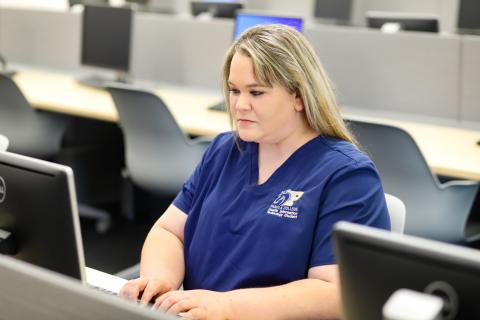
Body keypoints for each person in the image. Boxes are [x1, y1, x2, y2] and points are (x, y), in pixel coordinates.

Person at [120, 24, 390, 319]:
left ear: (299, 96)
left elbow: (335, 291)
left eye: (256, 92)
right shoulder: (225, 150)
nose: (239, 105)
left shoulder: (347, 176)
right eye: (234, 90)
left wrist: (228, 307)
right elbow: (170, 231)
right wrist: (159, 281)